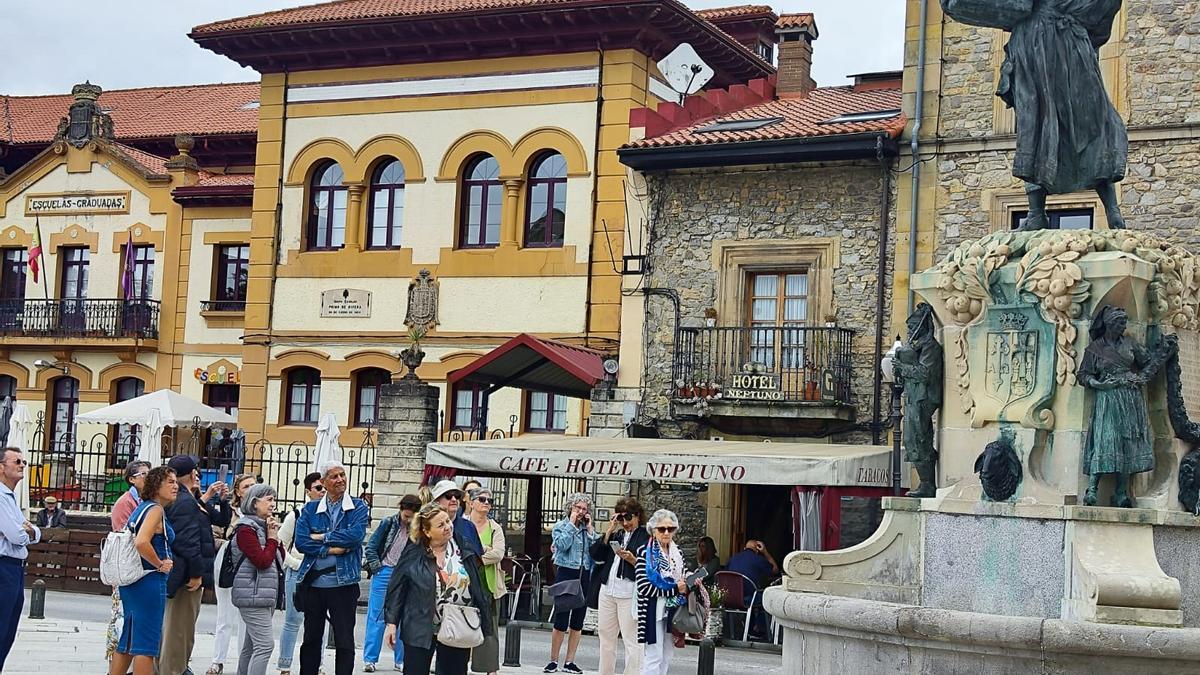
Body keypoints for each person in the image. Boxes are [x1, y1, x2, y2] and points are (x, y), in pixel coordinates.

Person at [382, 503, 493, 675]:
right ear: (426, 531)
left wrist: (484, 619)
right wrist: (391, 623)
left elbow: (477, 585)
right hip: (419, 623)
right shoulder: (413, 553)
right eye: (441, 525)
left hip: (458, 623)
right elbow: (397, 588)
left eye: (448, 521)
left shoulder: (464, 547)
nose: (448, 527)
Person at [1080, 305, 1168, 506]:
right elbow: (1084, 374)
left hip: (1130, 397)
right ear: (1110, 324)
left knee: (1128, 443)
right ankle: (1092, 489)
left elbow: (1147, 362)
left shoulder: (1130, 343)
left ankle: (1121, 492)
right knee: (1105, 441)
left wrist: (1162, 351)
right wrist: (1099, 384)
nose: (1124, 326)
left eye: (1124, 322)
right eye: (1120, 322)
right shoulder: (1096, 348)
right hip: (1108, 398)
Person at [294, 461, 370, 675]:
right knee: (311, 639)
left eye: (342, 474)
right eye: (334, 476)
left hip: (344, 584)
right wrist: (331, 550)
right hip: (314, 584)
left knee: (344, 640)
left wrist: (321, 537)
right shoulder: (310, 509)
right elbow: (301, 542)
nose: (340, 480)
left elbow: (355, 537)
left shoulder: (358, 506)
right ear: (324, 482)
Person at [158, 455, 232, 675]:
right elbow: (187, 542)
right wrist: (197, 574)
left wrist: (221, 500)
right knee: (179, 630)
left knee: (178, 628)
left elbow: (219, 520)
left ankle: (173, 667)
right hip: (184, 576)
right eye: (197, 473)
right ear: (192, 474)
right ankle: (172, 670)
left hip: (182, 573)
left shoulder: (189, 498)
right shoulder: (184, 501)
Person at [108, 466, 178, 675]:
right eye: (170, 482)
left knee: (128, 640)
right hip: (149, 580)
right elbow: (141, 542)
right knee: (146, 644)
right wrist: (159, 563)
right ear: (156, 486)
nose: (176, 486)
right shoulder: (155, 510)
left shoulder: (143, 507)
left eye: (176, 482)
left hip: (132, 581)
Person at [229, 483, 285, 675]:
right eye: (269, 499)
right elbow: (262, 561)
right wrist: (271, 539)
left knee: (252, 645)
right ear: (254, 503)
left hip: (262, 593)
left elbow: (278, 559)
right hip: (252, 594)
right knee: (265, 645)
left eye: (273, 499)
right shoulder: (246, 529)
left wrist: (274, 538)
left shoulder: (262, 527)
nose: (273, 504)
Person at [589, 497, 649, 675]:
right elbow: (595, 554)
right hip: (608, 589)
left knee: (632, 639)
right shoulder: (617, 535)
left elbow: (650, 567)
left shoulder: (645, 536)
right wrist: (608, 531)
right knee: (606, 637)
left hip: (629, 592)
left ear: (637, 516)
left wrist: (632, 560)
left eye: (628, 517)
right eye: (621, 518)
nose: (625, 522)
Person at [362, 493, 421, 673]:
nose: (408, 520)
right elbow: (371, 547)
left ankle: (401, 660)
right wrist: (378, 568)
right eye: (405, 516)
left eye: (411, 517)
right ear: (401, 510)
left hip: (406, 575)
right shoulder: (388, 523)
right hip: (385, 571)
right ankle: (370, 659)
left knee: (404, 617)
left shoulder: (418, 528)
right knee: (377, 616)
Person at [635, 509, 698, 675]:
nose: (666, 533)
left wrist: (691, 578)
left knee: (667, 654)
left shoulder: (678, 553)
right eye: (661, 529)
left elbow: (682, 575)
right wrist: (675, 588)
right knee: (653, 655)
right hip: (652, 609)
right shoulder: (644, 552)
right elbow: (644, 587)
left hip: (673, 610)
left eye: (671, 529)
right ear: (653, 530)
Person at [209, 474, 258, 675]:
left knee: (247, 619)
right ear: (237, 491)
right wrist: (233, 545)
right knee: (225, 616)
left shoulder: (262, 512)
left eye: (254, 486)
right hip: (228, 563)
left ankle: (244, 662)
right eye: (246, 486)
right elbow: (213, 535)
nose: (250, 489)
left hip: (251, 567)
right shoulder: (229, 512)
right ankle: (217, 661)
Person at [545, 493, 599, 674]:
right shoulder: (561, 526)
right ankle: (553, 660)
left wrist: (590, 529)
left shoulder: (587, 529)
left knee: (577, 621)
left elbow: (595, 550)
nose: (581, 512)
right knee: (561, 619)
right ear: (570, 508)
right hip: (567, 573)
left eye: (584, 509)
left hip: (584, 574)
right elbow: (562, 545)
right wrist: (572, 524)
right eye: (578, 508)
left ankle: (570, 661)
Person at [277, 472, 325, 675]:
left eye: (324, 487)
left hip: (322, 573)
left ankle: (318, 664)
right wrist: (295, 564)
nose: (323, 491)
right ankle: (285, 665)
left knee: (320, 620)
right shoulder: (296, 515)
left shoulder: (333, 515)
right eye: (318, 488)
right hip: (298, 572)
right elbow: (280, 544)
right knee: (293, 620)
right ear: (308, 491)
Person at [0, 447, 39, 672]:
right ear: (2, 467)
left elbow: (32, 532)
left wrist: (30, 531)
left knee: (9, 629)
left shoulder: (11, 497)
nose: (22, 465)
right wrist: (28, 532)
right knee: (2, 626)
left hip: (15, 568)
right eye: (16, 461)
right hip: (5, 565)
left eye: (23, 461)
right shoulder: (2, 497)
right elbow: (16, 535)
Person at [107, 460, 151, 661]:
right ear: (132, 479)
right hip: (126, 569)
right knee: (122, 617)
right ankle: (116, 659)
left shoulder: (147, 501)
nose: (148, 477)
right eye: (143, 474)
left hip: (141, 569)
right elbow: (123, 537)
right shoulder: (125, 502)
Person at [465, 487, 506, 675]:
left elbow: (498, 553)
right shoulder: (462, 524)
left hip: (488, 584)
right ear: (471, 502)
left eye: (490, 500)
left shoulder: (495, 528)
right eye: (482, 499)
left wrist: (476, 554)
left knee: (489, 629)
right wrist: (484, 549)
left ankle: (490, 669)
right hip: (464, 584)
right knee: (461, 624)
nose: (487, 503)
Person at [725, 540, 779, 639]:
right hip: (748, 598)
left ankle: (738, 631)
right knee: (765, 597)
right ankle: (760, 629)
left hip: (731, 597)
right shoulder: (758, 559)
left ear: (745, 549)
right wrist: (765, 552)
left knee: (753, 596)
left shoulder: (733, 559)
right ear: (757, 550)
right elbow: (775, 570)